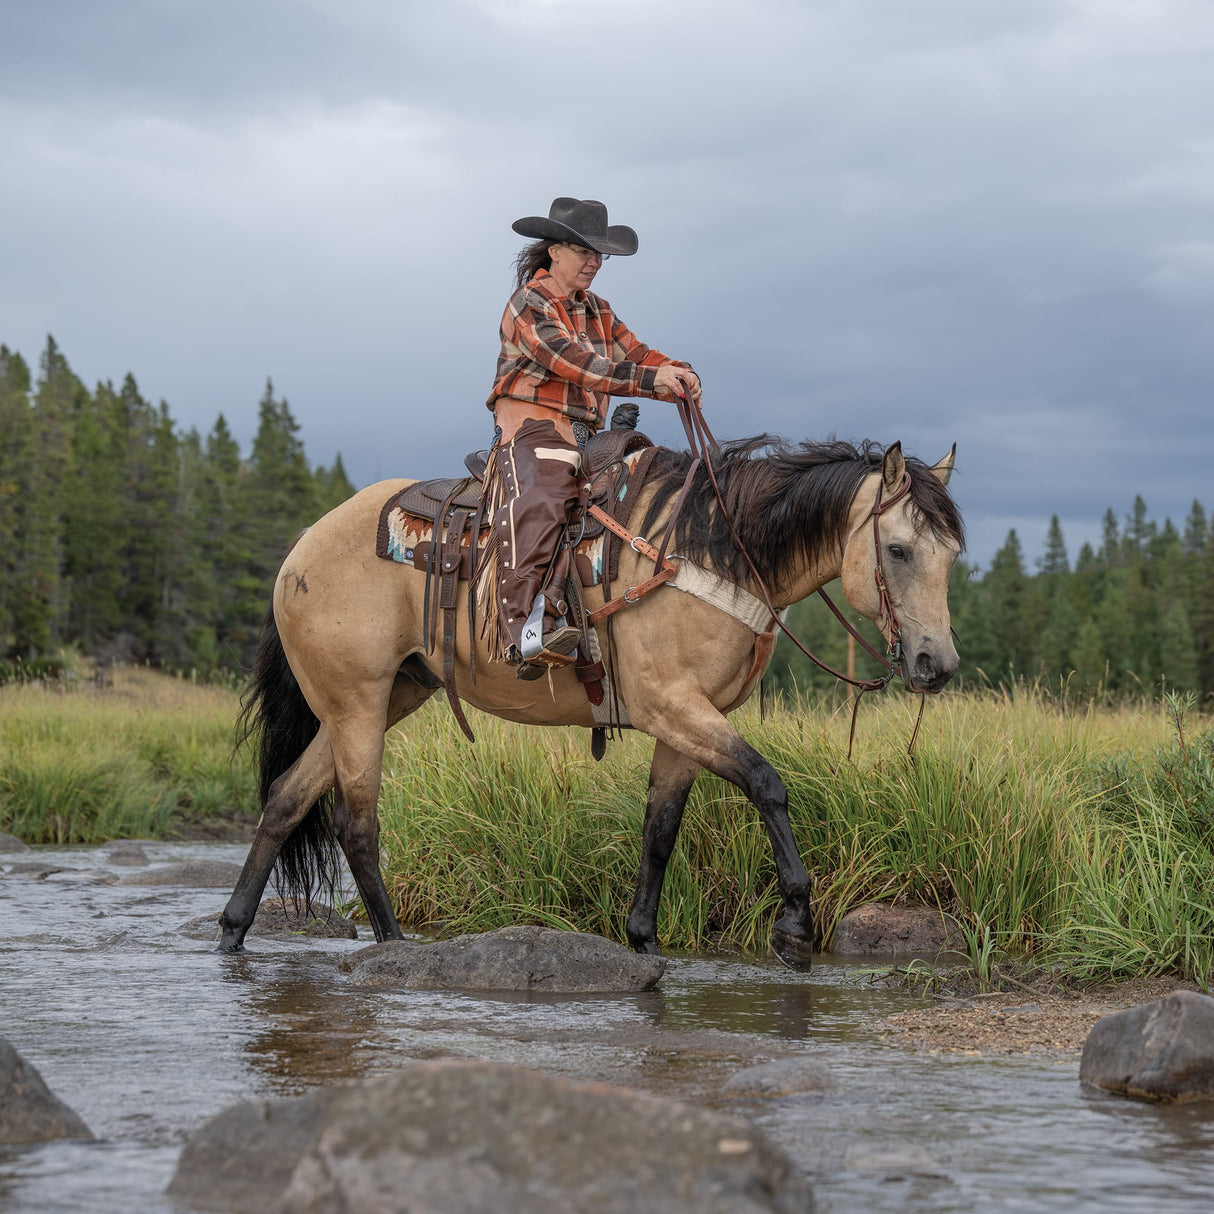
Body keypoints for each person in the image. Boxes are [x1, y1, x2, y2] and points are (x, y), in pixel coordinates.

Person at [479, 197, 702, 680]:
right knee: (546, 496)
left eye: (599, 255)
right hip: (533, 428)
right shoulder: (528, 303)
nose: (594, 262)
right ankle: (523, 630)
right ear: (554, 252)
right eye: (583, 251)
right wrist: (650, 381)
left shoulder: (599, 310)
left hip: (586, 434)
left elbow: (637, 352)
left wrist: (678, 371)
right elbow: (571, 362)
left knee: (647, 485)